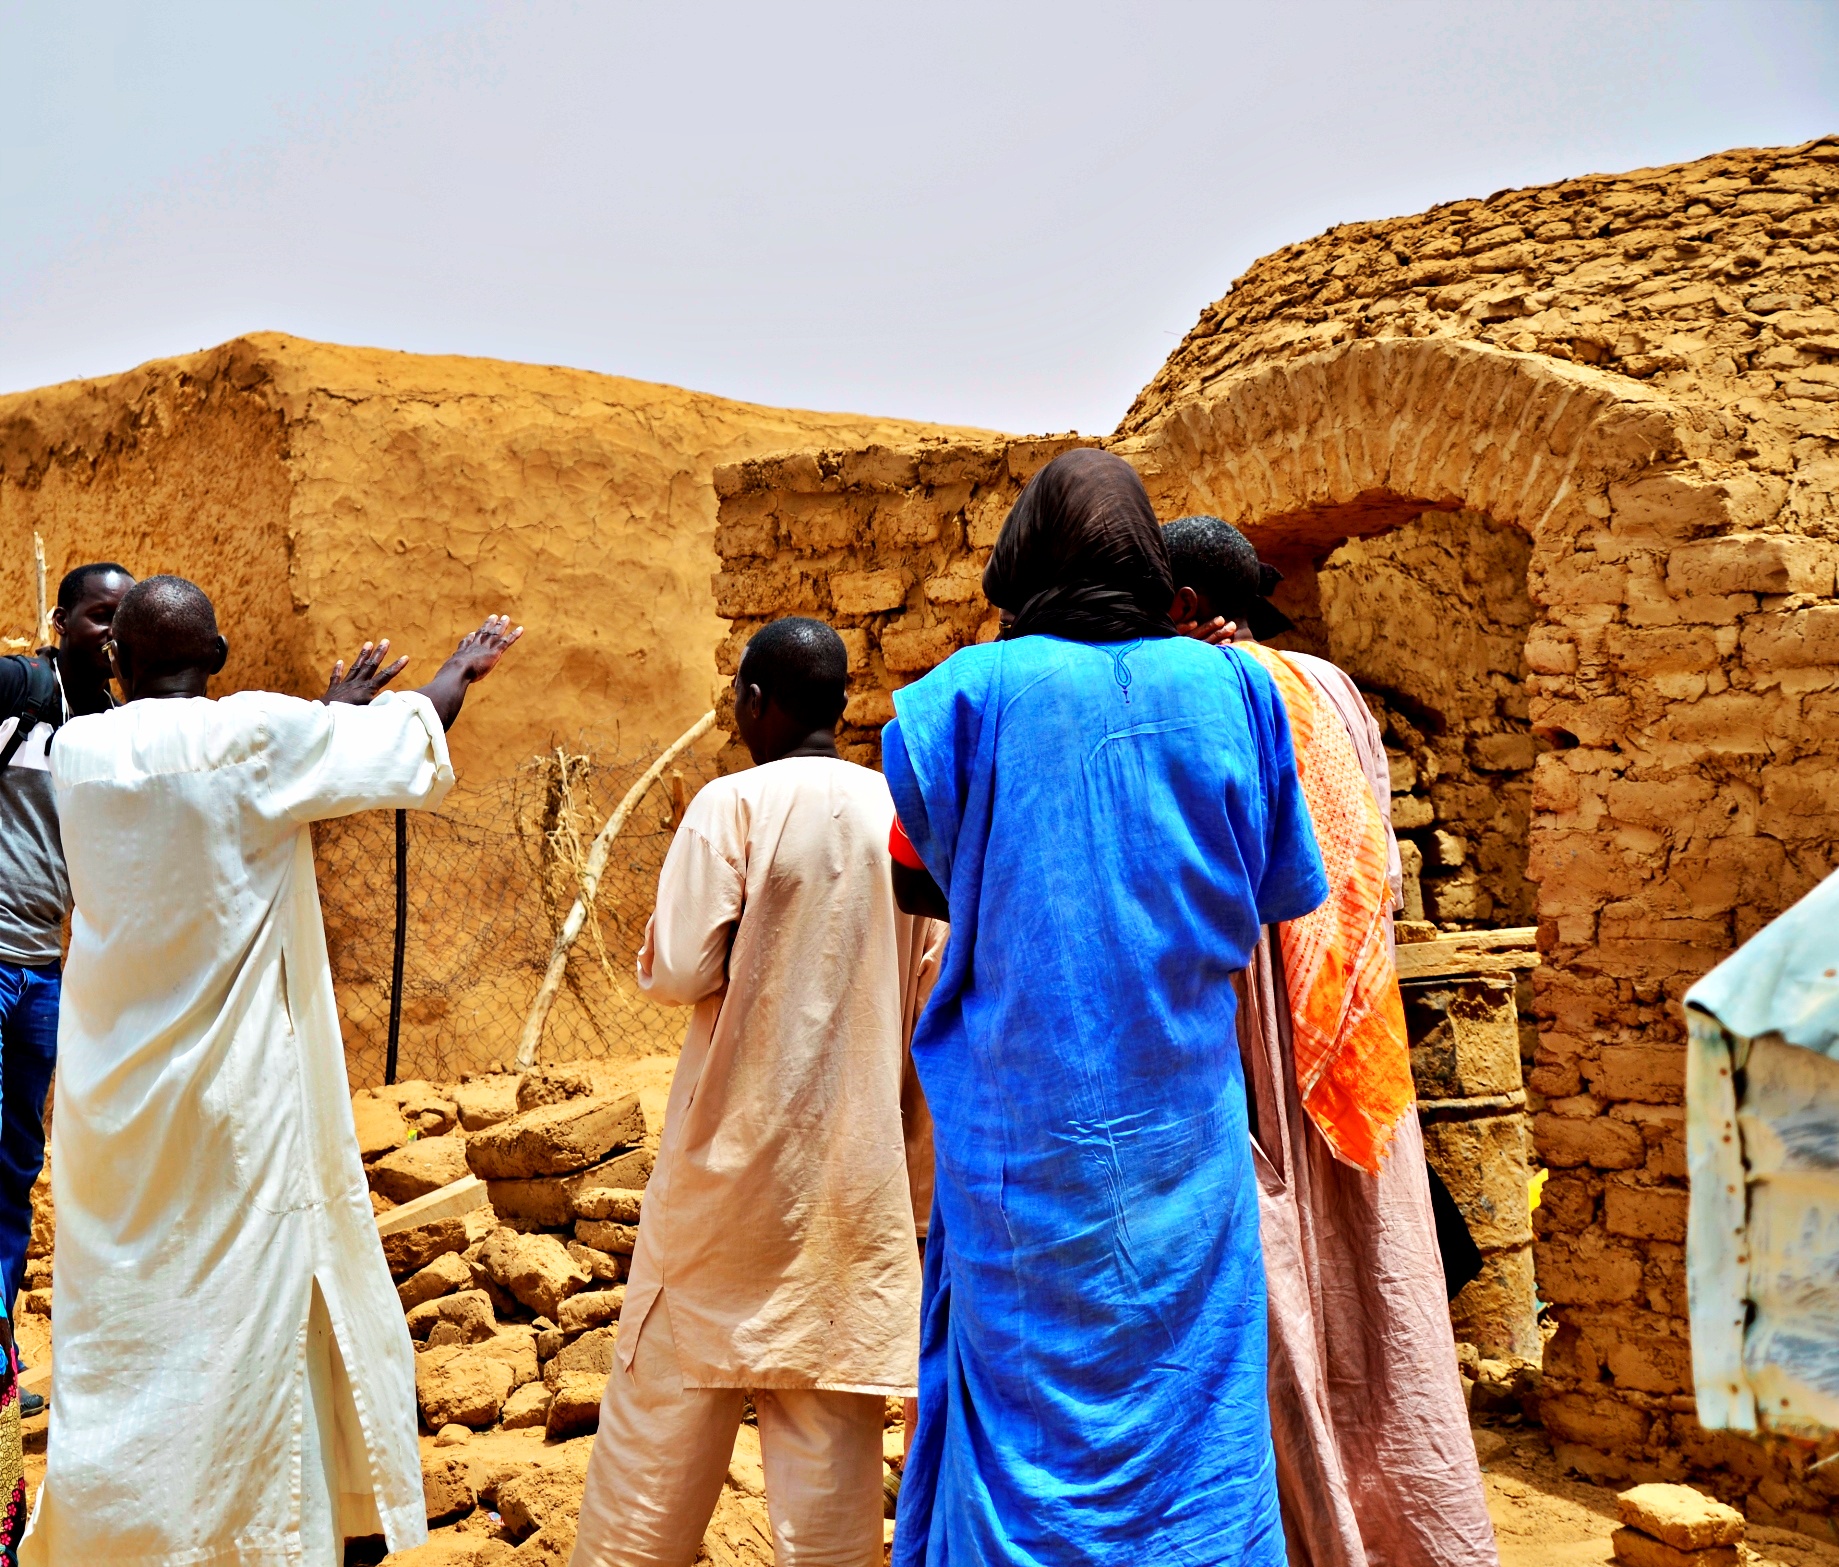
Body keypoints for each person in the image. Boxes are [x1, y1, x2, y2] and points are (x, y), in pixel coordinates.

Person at [882, 448, 1327, 1566]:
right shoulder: (1236, 691)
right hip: (1184, 1137)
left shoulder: (964, 699)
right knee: (1195, 1422)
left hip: (1022, 1149)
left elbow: (912, 873)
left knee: (1022, 1417)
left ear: (1025, 556)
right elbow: (1283, 886)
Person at [23, 577, 522, 1566]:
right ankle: (257, 1541)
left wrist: (318, 724)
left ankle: (124, 1533)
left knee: (136, 1321)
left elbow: (240, 776)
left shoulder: (79, 752)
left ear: (114, 661)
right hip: (236, 1101)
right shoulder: (257, 736)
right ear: (215, 653)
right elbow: (398, 747)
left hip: (113, 1102)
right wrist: (455, 674)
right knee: (246, 1317)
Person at [571, 617, 946, 1567]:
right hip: (852, 1185)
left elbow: (678, 969)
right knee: (829, 1471)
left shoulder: (728, 805)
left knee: (656, 1441)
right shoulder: (899, 811)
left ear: (756, 701)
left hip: (722, 1183)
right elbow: (931, 981)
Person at [1163, 514, 1497, 1567]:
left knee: (1287, 1294)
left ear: (1176, 607)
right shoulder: (1334, 688)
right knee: (1381, 1288)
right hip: (1353, 1031)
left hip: (1260, 1034)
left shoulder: (1215, 692)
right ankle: (1414, 1526)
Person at [0, 561, 133, 1393]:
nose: (111, 633)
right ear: (60, 622)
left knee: (15, 1169)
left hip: (44, 974)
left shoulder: (116, 727)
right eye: (96, 616)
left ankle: (1, 1357)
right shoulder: (18, 688)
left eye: (124, 619)